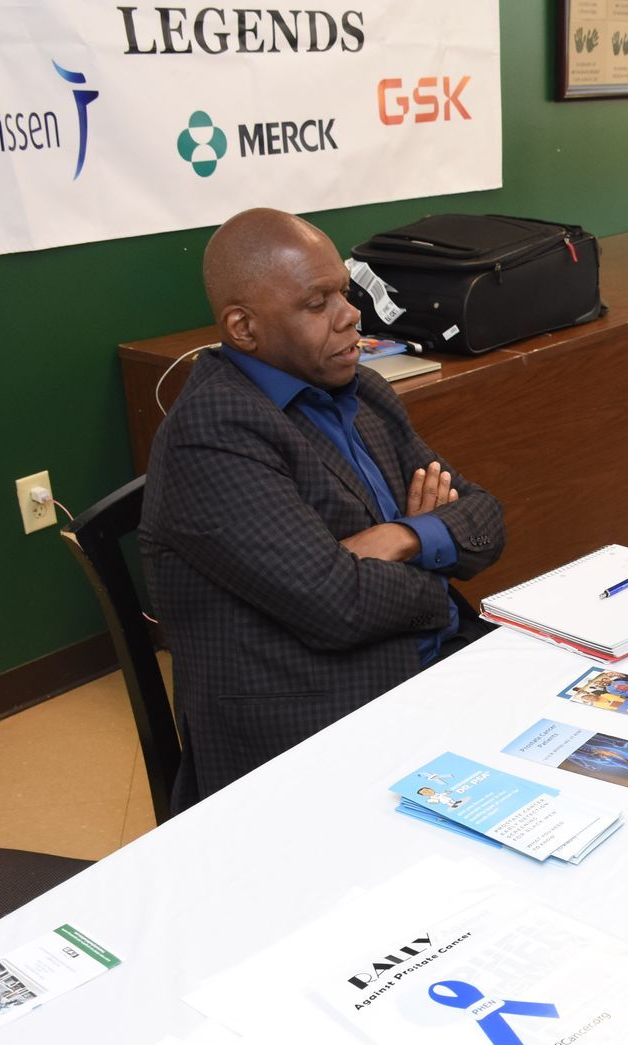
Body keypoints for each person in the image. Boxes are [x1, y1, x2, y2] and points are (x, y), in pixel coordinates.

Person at [142, 208, 505, 810]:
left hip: (430, 670)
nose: (351, 315)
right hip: (314, 723)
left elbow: (486, 520)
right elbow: (338, 604)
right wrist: (435, 565)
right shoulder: (214, 431)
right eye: (317, 304)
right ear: (243, 326)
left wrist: (401, 539)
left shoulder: (363, 393)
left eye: (344, 290)